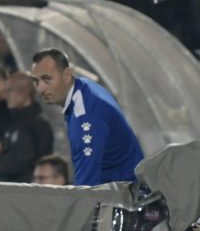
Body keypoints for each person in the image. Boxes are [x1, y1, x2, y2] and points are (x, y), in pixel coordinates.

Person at [29, 48, 143, 185]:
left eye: (47, 79)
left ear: (66, 75)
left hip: (122, 197)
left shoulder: (84, 115)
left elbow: (87, 186)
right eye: (35, 81)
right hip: (129, 187)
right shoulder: (85, 87)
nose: (40, 88)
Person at [0, 71, 53, 183]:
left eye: (9, 91)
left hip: (25, 193)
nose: (5, 96)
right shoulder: (12, 123)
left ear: (25, 91)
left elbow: (24, 161)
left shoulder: (38, 125)